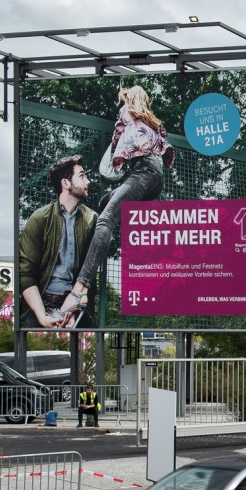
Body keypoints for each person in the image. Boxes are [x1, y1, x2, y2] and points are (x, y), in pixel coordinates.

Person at [57, 85, 175, 318]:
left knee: (105, 220)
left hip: (143, 174)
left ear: (129, 101)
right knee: (105, 202)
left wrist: (118, 144)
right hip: (153, 179)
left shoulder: (129, 113)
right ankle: (109, 236)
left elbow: (116, 151)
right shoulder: (153, 121)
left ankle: (81, 287)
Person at [18, 156, 97, 328]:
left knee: (84, 353)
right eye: (82, 176)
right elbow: (25, 274)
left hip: (75, 305)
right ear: (66, 183)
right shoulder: (40, 219)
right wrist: (42, 316)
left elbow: (89, 274)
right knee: (34, 354)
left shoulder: (92, 220)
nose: (88, 181)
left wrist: (73, 311)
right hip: (41, 305)